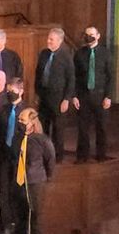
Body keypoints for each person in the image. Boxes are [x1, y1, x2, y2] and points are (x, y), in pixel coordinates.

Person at [12, 108, 55, 234]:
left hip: (35, 184)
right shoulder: (18, 139)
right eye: (20, 120)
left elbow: (50, 161)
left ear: (32, 122)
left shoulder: (42, 140)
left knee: (34, 221)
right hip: (19, 184)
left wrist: (44, 178)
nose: (20, 123)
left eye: (23, 121)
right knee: (20, 221)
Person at [73, 26, 113, 163]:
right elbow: (75, 77)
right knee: (83, 127)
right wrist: (74, 96)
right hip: (83, 96)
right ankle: (82, 155)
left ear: (98, 35)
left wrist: (108, 96)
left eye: (91, 34)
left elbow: (110, 76)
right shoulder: (79, 54)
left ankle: (101, 155)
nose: (88, 37)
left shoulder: (105, 53)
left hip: (101, 96)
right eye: (86, 34)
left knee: (101, 127)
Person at [35, 28, 75, 163]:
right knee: (43, 128)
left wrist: (66, 99)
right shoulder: (43, 54)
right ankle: (45, 154)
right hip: (44, 97)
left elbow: (71, 79)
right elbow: (38, 74)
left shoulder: (66, 56)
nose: (48, 41)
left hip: (58, 99)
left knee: (58, 130)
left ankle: (58, 157)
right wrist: (37, 93)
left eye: (51, 39)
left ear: (60, 40)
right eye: (48, 38)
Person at [0, 78, 26, 234]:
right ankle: (4, 225)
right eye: (8, 90)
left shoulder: (28, 111)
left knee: (18, 193)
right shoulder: (3, 110)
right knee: (4, 192)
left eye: (13, 90)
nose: (10, 93)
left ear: (21, 91)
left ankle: (18, 224)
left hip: (20, 159)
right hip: (4, 157)